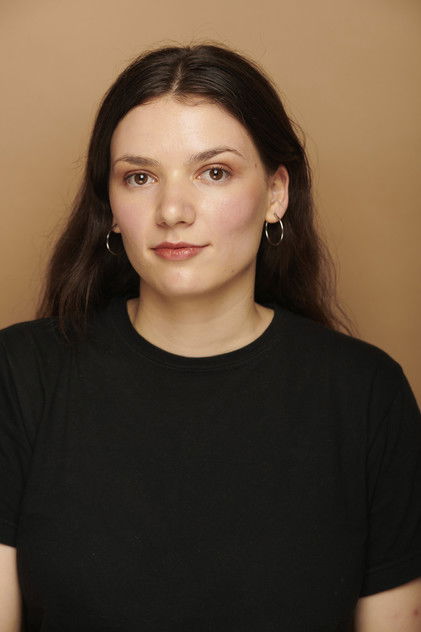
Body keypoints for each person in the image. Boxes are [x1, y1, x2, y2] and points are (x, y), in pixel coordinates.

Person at [0, 43, 420, 632]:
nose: (173, 210)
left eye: (214, 172)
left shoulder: (367, 394)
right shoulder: (20, 375)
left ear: (276, 193)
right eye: (140, 177)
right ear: (112, 208)